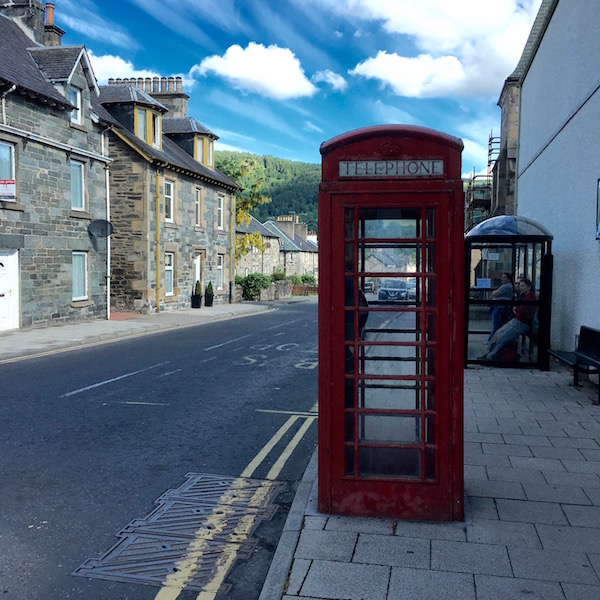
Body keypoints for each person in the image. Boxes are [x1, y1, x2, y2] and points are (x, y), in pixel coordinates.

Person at [484, 278, 536, 361]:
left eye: (523, 286)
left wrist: (516, 309)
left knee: (502, 337)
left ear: (529, 287)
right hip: (518, 320)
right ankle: (489, 354)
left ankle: (490, 357)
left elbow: (521, 310)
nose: (521, 288)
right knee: (498, 333)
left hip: (522, 322)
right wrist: (516, 309)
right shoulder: (523, 296)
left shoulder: (530, 298)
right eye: (520, 286)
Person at [487, 273, 513, 343]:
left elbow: (495, 293)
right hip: (501, 307)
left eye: (505, 277)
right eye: (502, 277)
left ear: (509, 279)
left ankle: (491, 340)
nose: (503, 279)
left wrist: (494, 292)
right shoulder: (507, 286)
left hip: (500, 308)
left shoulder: (506, 286)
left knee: (496, 324)